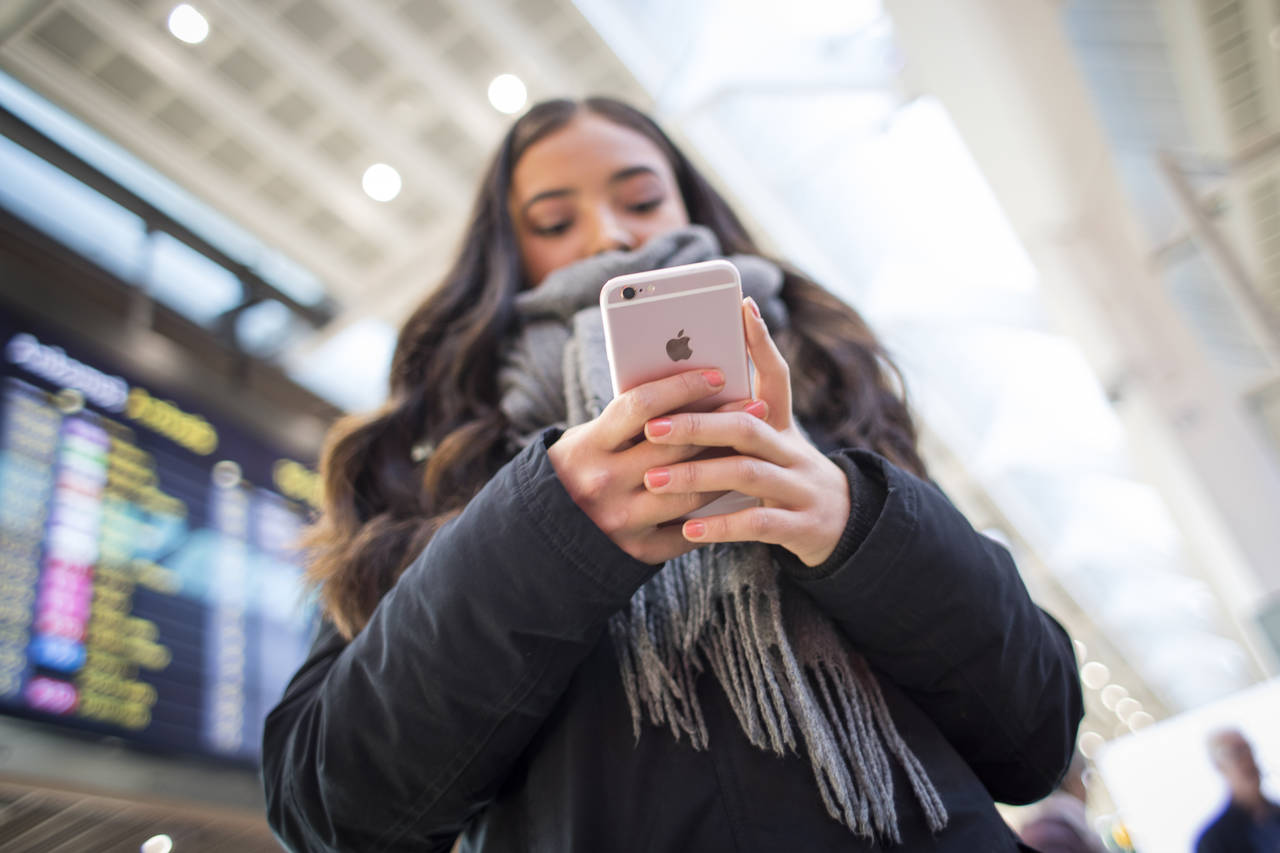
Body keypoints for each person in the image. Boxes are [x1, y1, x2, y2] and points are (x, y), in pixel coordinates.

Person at [261, 96, 1083, 852]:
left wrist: (854, 519)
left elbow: (1036, 734)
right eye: (553, 220)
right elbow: (329, 810)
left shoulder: (835, 399)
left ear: (694, 208)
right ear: (508, 256)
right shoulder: (433, 464)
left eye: (643, 199)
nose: (610, 236)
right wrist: (545, 531)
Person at [1195, 728, 1280, 852]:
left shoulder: (1275, 813)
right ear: (1219, 766)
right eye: (1236, 753)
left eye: (1247, 748)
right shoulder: (1213, 841)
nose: (1247, 759)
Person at [1018, 752, 1107, 853]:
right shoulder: (1053, 836)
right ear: (1075, 780)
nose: (1088, 790)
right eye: (1088, 778)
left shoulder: (1046, 829)